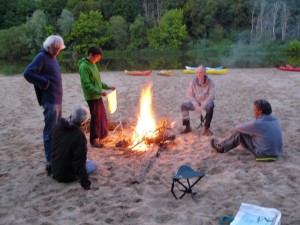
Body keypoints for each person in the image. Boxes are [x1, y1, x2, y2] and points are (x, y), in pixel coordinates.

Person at [23, 35, 65, 175]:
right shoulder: (42, 56)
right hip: (50, 101)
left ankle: (56, 158)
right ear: (50, 47)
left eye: (59, 49)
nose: (59, 51)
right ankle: (50, 162)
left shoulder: (52, 56)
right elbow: (28, 73)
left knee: (57, 131)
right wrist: (44, 83)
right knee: (50, 132)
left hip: (57, 100)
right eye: (57, 49)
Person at [210, 99, 283, 159]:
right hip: (277, 152)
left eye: (255, 110)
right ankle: (222, 144)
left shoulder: (258, 123)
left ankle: (222, 147)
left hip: (264, 154)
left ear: (260, 112)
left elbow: (237, 128)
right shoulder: (275, 120)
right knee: (251, 134)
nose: (254, 112)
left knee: (240, 134)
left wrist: (248, 131)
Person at [50, 104, 98, 190]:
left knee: (83, 158)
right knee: (94, 165)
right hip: (67, 175)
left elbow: (54, 145)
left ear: (72, 115)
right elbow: (79, 163)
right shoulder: (79, 136)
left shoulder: (57, 126)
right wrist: (86, 184)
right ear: (83, 122)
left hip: (54, 169)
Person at [78, 46, 116, 148]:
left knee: (102, 116)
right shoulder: (84, 67)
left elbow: (97, 82)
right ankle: (94, 140)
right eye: (97, 57)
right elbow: (87, 85)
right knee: (96, 118)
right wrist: (99, 92)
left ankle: (103, 136)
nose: (98, 60)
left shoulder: (93, 64)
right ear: (91, 55)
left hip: (97, 95)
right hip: (91, 96)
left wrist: (108, 87)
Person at [181, 65, 216, 136]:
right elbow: (189, 95)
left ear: (205, 73)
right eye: (197, 72)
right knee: (184, 106)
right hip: (196, 103)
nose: (198, 74)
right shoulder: (193, 82)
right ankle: (187, 127)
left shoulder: (211, 82)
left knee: (211, 106)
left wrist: (202, 106)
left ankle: (206, 129)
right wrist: (196, 105)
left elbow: (212, 96)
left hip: (205, 103)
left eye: (200, 73)